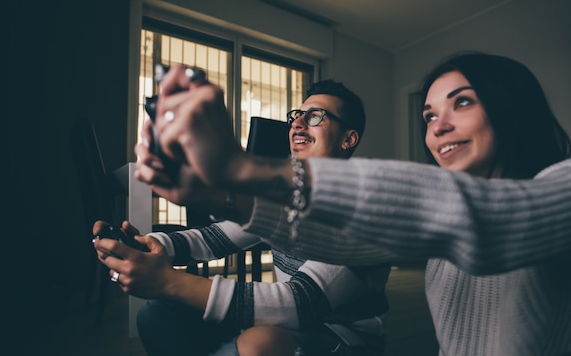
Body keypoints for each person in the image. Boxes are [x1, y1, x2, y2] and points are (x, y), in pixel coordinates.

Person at [137, 52, 571, 356]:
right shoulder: (424, 232)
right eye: (430, 114)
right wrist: (207, 196)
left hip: (339, 338)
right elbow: (316, 228)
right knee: (159, 317)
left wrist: (242, 170)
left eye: (462, 103)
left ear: (511, 108)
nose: (437, 126)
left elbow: (482, 217)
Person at [94, 80, 391, 356]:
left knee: (260, 343)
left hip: (342, 339)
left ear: (348, 139)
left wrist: (167, 280)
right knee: (157, 312)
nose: (297, 124)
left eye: (315, 116)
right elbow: (214, 238)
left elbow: (298, 303)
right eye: (297, 115)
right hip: (287, 325)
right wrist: (144, 245)